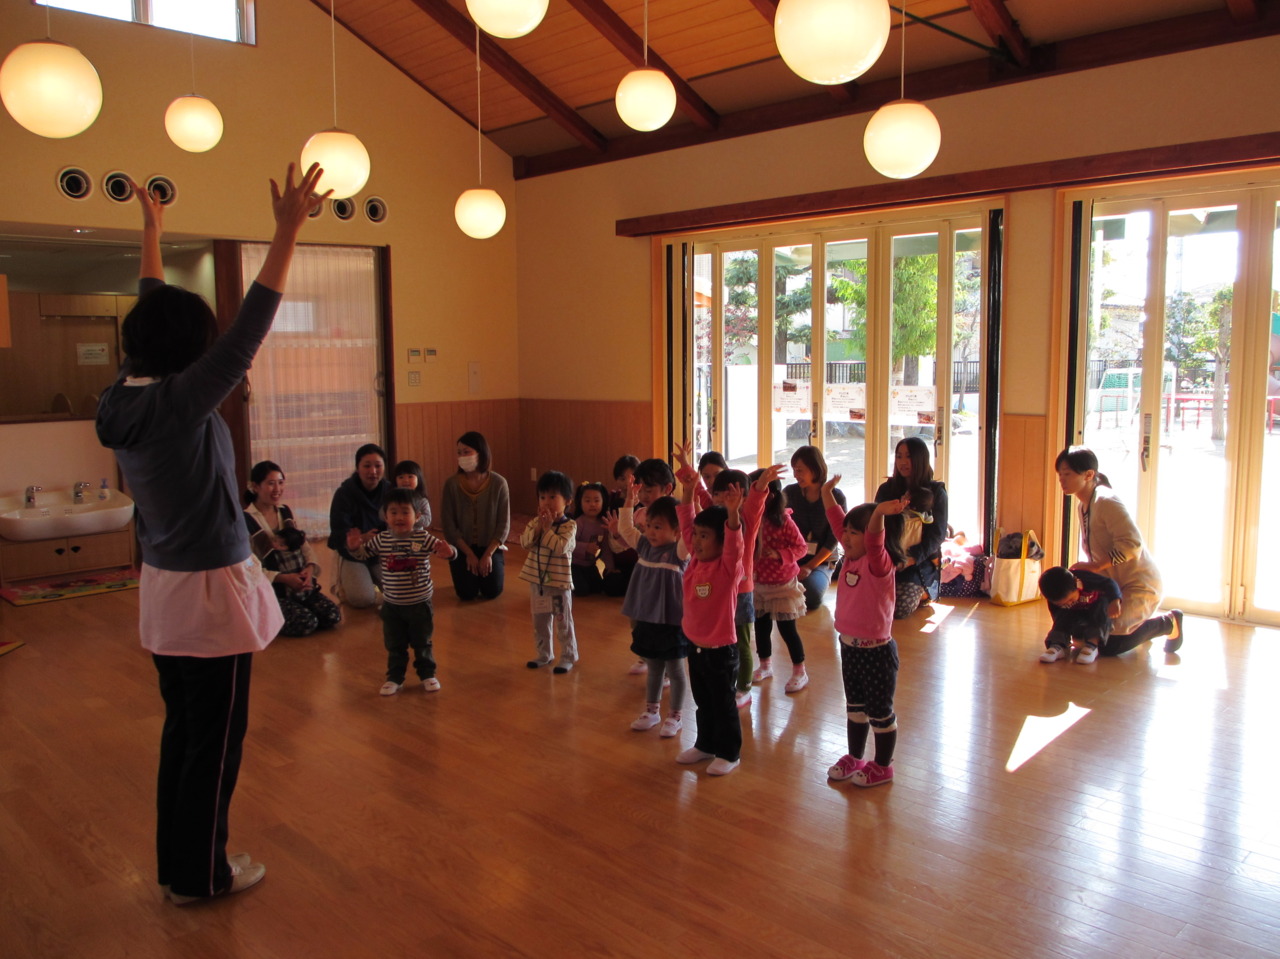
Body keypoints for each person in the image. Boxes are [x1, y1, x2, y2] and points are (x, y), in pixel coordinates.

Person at [95, 162, 328, 903]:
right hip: (208, 596)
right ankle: (203, 874)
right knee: (215, 744)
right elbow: (250, 330)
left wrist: (152, 230)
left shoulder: (124, 394)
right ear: (186, 351)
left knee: (185, 733)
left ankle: (181, 865)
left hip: (167, 586)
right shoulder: (180, 401)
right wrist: (287, 232)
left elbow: (153, 312)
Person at [822, 477, 909, 788]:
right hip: (849, 647)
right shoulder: (850, 556)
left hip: (876, 653)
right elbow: (837, 521)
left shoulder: (878, 564)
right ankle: (855, 756)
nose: (845, 537)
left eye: (853, 533)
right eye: (845, 531)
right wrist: (826, 493)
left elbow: (873, 540)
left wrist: (879, 514)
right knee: (855, 708)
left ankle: (883, 766)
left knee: (879, 713)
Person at [1056, 446, 1184, 655]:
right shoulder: (1083, 505)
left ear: (1089, 475)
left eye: (1067, 474)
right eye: (1060, 475)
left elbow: (1132, 544)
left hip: (1139, 586)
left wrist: (1096, 566)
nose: (1061, 480)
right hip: (1113, 586)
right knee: (1081, 635)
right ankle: (1135, 626)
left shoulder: (1106, 501)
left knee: (1106, 643)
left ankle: (1166, 623)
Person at [347, 488, 456, 695]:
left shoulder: (422, 537)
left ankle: (427, 674)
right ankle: (395, 677)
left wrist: (450, 552)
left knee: (422, 642)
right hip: (392, 605)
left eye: (405, 512)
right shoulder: (382, 539)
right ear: (385, 516)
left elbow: (446, 551)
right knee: (394, 644)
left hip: (420, 604)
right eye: (394, 512)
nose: (399, 517)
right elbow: (363, 554)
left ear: (417, 516)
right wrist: (354, 548)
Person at [674, 466, 745, 776]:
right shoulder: (695, 562)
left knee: (723, 703)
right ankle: (705, 745)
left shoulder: (727, 568)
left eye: (705, 536)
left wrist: (733, 514)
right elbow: (686, 522)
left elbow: (735, 545)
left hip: (720, 651)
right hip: (696, 646)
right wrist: (689, 491)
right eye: (697, 536)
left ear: (721, 540)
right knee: (703, 701)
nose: (697, 541)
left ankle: (729, 753)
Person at [612, 488, 689, 737]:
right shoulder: (644, 546)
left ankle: (675, 716)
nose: (651, 532)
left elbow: (689, 532)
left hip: (672, 621)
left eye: (658, 527)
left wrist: (689, 499)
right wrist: (629, 502)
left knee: (675, 670)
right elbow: (626, 529)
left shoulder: (679, 552)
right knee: (654, 666)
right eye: (649, 526)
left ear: (677, 531)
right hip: (648, 619)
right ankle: (651, 711)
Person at [243, 461, 341, 637]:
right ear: (255, 487)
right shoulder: (246, 520)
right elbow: (247, 565)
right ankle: (265, 615)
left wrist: (309, 569)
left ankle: (297, 605)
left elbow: (304, 546)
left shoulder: (285, 512)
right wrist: (282, 578)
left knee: (332, 616)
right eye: (271, 483)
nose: (277, 489)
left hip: (299, 586)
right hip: (272, 590)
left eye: (280, 483)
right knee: (306, 623)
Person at [750, 466, 810, 692]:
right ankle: (765, 665)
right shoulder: (752, 518)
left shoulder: (784, 520)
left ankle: (800, 670)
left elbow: (801, 547)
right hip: (760, 584)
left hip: (783, 585)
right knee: (761, 627)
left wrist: (779, 554)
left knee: (787, 630)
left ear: (771, 495)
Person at [875, 436, 948, 618]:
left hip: (918, 561)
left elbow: (937, 535)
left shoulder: (936, 492)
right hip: (888, 557)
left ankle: (925, 592)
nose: (903, 462)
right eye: (899, 456)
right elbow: (875, 523)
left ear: (920, 458)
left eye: (908, 456)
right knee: (869, 601)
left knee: (899, 608)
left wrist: (912, 559)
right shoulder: (886, 489)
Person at [617, 457, 677, 674]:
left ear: (667, 489)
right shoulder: (641, 514)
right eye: (640, 490)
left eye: (648, 490)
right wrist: (629, 500)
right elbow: (626, 530)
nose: (642, 496)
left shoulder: (676, 515)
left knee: (666, 628)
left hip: (667, 585)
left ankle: (667, 668)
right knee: (639, 622)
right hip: (645, 583)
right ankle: (646, 656)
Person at [440, 431, 510, 601]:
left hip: (490, 547)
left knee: (492, 591)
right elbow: (449, 525)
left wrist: (488, 554)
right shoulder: (451, 484)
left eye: (467, 452)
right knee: (466, 593)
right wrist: (469, 554)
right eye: (459, 453)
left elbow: (503, 524)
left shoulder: (499, 483)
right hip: (462, 547)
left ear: (481, 453)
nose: (462, 456)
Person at [520, 471, 578, 673]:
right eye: (542, 497)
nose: (547, 502)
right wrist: (539, 528)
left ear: (567, 500)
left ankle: (568, 656)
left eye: (553, 497)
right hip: (538, 583)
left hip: (559, 585)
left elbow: (560, 547)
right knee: (540, 621)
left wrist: (547, 529)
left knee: (563, 622)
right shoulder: (535, 523)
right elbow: (525, 543)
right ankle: (544, 654)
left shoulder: (570, 526)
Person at [327, 444, 392, 608]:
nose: (373, 471)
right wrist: (360, 539)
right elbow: (337, 532)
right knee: (362, 599)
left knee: (402, 590)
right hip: (352, 553)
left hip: (381, 552)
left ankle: (372, 581)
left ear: (384, 467)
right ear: (357, 468)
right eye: (367, 466)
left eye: (378, 466)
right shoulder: (344, 494)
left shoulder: (390, 491)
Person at [784, 445, 846, 611]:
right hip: (793, 557)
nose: (795, 475)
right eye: (794, 470)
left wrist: (809, 566)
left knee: (810, 596)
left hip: (821, 561)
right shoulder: (790, 492)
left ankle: (832, 570)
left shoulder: (835, 496)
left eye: (800, 470)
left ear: (815, 468)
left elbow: (833, 539)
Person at [1037, 566, 1123, 664]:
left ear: (1077, 585)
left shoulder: (1085, 579)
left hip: (1095, 610)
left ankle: (1092, 645)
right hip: (1076, 614)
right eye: (1062, 603)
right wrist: (1061, 628)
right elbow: (1056, 615)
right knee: (1063, 614)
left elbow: (1109, 583)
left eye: (1070, 599)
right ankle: (1057, 645)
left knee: (1102, 605)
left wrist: (1115, 601)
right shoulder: (1055, 597)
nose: (1069, 603)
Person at [569, 481, 611, 595]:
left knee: (598, 589)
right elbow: (569, 544)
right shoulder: (579, 523)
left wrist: (610, 567)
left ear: (603, 502)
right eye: (587, 501)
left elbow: (606, 547)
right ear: (580, 503)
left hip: (590, 565)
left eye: (596, 501)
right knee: (581, 590)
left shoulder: (603, 524)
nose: (592, 504)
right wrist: (585, 547)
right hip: (574, 565)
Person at [391, 459, 432, 530]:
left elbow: (427, 520)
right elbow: (382, 514)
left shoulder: (422, 500)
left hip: (416, 535)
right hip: (395, 535)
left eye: (410, 476)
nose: (405, 480)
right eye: (401, 477)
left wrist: (411, 516)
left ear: (418, 479)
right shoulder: (391, 499)